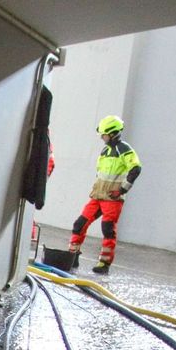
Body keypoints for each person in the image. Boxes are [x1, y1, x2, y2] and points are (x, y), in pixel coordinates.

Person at [68, 115, 141, 275]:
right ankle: (72, 256)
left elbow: (135, 169)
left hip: (112, 198)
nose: (102, 137)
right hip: (98, 196)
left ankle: (104, 263)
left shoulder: (125, 150)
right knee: (79, 224)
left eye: (104, 134)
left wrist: (122, 190)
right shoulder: (105, 150)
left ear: (113, 133)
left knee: (108, 229)